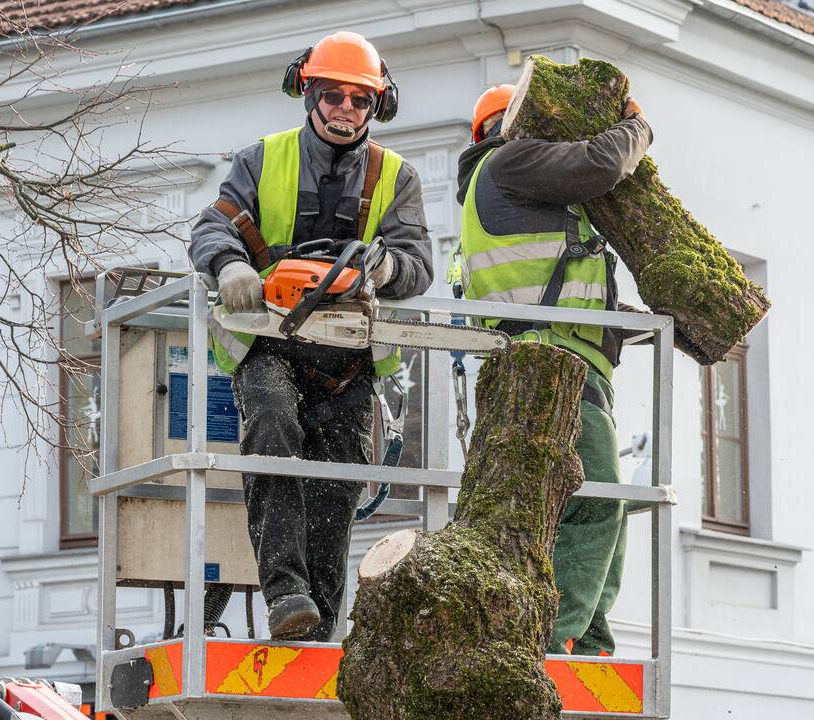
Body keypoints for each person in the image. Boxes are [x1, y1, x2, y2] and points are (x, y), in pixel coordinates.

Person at [188, 31, 432, 641]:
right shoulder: (261, 159)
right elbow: (209, 228)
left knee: (337, 485)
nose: (346, 109)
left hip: (350, 353)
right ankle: (285, 594)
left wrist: (384, 268)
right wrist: (231, 265)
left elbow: (417, 264)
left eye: (360, 99)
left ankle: (315, 630)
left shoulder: (396, 177)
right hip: (271, 343)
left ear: (378, 105)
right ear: (308, 92)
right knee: (272, 425)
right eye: (333, 95)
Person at [453, 83, 653, 656]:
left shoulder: (515, 199)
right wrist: (636, 126)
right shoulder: (510, 161)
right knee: (595, 500)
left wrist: (651, 325)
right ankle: (555, 635)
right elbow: (603, 162)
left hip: (561, 360)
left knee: (598, 502)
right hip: (552, 365)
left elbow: (565, 288)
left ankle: (589, 636)